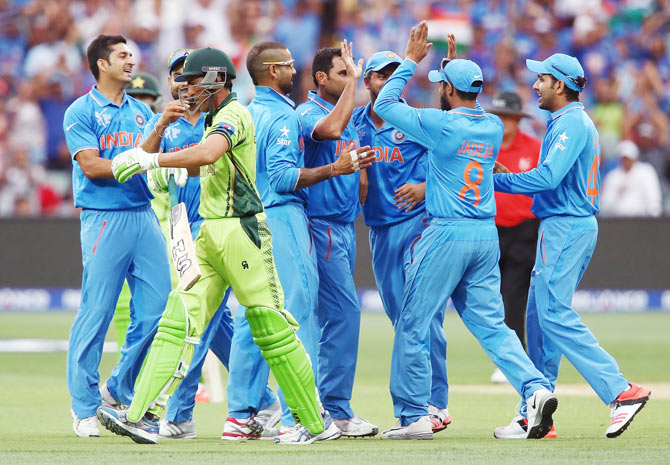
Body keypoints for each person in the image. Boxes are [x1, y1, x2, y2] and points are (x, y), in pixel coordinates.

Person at [97, 46, 337, 445]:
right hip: (209, 232)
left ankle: (316, 424)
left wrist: (147, 162)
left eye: (192, 82)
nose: (185, 90)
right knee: (179, 320)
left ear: (215, 79)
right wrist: (151, 144)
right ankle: (142, 416)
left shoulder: (234, 114)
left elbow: (208, 153)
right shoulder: (212, 117)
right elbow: (194, 165)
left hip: (243, 233)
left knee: (271, 327)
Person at [374, 21, 557, 441]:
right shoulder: (491, 126)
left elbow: (385, 103)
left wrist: (410, 61)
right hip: (484, 234)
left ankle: (414, 415)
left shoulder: (441, 126)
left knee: (413, 322)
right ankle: (535, 388)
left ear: (449, 91)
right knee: (492, 326)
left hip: (447, 234)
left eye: (443, 85)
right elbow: (463, 106)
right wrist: (455, 70)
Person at [493, 53, 651, 439]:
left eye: (542, 79)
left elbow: (548, 177)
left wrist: (496, 181)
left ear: (560, 85)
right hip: (561, 225)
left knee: (551, 314)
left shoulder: (572, 122)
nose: (536, 86)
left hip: (566, 225)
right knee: (538, 316)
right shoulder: (566, 121)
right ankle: (536, 412)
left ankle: (621, 391)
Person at [224, 41, 373, 440]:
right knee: (299, 314)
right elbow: (286, 177)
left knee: (255, 315)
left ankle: (241, 414)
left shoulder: (242, 113)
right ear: (273, 71)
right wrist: (336, 168)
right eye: (289, 65)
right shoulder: (288, 116)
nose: (296, 71)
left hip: (246, 218)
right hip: (283, 216)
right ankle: (300, 418)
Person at [62, 35, 172, 438]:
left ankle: (118, 389)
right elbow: (91, 167)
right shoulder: (81, 111)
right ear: (101, 65)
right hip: (104, 217)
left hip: (143, 216)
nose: (131, 60)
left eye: (132, 54)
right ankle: (84, 407)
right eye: (122, 56)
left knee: (159, 311)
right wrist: (139, 158)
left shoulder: (143, 112)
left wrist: (160, 127)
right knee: (97, 312)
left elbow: (151, 157)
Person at [136, 49, 244, 440]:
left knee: (194, 322)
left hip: (218, 224)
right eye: (177, 76)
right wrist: (161, 126)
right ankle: (260, 401)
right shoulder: (163, 121)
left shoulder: (221, 118)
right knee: (214, 324)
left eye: (191, 75)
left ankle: (180, 415)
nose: (185, 82)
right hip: (182, 227)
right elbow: (140, 167)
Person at [352, 49, 451, 433]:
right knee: (401, 318)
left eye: (396, 74)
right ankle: (423, 397)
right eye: (381, 75)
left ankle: (434, 402)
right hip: (380, 229)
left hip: (417, 225)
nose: (389, 80)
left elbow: (451, 157)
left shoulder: (415, 120)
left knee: (422, 317)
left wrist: (426, 187)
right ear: (369, 82)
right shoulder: (355, 123)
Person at [295, 42, 378, 437]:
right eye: (343, 74)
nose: (351, 82)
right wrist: (355, 85)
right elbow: (331, 131)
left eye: (352, 74)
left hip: (345, 225)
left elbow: (352, 144)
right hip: (320, 223)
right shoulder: (309, 113)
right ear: (321, 79)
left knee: (329, 317)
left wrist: (360, 173)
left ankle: (318, 405)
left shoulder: (348, 115)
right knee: (343, 314)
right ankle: (333, 409)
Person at [486, 91, 541, 385]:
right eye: (499, 116)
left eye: (509, 117)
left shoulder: (534, 147)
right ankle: (505, 356)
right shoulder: (485, 148)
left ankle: (515, 359)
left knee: (514, 295)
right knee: (491, 298)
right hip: (490, 229)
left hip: (524, 231)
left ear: (518, 119)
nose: (504, 122)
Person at [600, 140, 662, 217]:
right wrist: (617, 193)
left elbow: (653, 197)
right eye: (624, 158)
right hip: (618, 220)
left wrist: (654, 217)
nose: (626, 161)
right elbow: (605, 204)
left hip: (641, 219)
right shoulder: (613, 176)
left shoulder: (646, 172)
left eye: (628, 158)